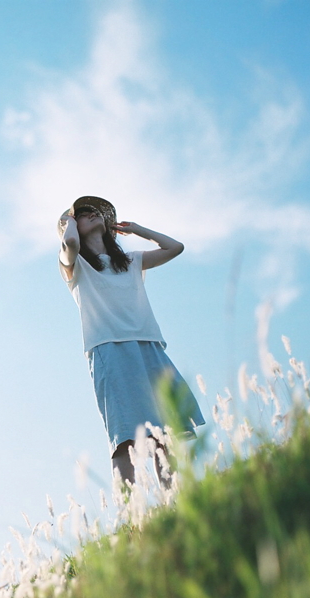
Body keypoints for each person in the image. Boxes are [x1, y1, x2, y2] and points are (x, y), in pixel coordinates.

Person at [57, 195, 204, 487]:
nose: (91, 215)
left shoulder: (131, 261)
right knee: (125, 436)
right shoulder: (75, 266)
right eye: (83, 215)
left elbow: (176, 247)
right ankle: (129, 514)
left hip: (148, 343)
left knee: (164, 432)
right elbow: (71, 244)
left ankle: (174, 503)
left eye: (94, 213)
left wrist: (138, 230)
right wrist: (67, 221)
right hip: (109, 348)